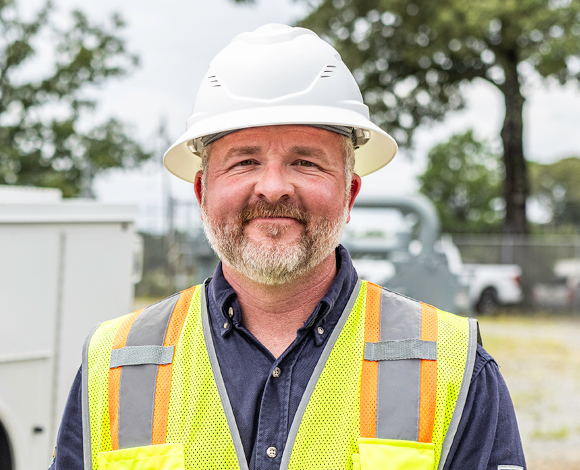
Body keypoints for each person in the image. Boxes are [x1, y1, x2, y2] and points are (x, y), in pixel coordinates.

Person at [50, 24, 526, 470]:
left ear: (349, 194)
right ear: (201, 193)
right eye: (245, 161)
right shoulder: (114, 364)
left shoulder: (451, 368)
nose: (273, 187)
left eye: (305, 162)